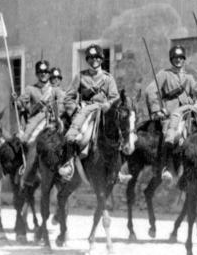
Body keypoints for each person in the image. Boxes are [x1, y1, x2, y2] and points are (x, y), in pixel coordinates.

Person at [145, 44, 197, 184]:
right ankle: (167, 167)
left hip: (188, 113)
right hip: (169, 114)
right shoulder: (164, 74)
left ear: (184, 59)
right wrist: (157, 109)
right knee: (170, 135)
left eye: (181, 58)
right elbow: (150, 90)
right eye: (175, 58)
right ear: (171, 59)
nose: (178, 60)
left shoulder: (189, 78)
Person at [62, 44, 120, 178]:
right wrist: (74, 110)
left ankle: (117, 169)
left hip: (103, 111)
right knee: (78, 135)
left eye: (97, 57)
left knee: (117, 133)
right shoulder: (80, 76)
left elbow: (115, 96)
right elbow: (68, 97)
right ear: (87, 60)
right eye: (91, 58)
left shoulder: (108, 78)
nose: (94, 60)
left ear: (101, 59)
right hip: (84, 110)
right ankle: (69, 164)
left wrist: (108, 104)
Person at [13, 60, 64, 190]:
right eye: (40, 72)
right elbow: (20, 104)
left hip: (51, 122)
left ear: (49, 73)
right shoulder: (30, 89)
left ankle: (65, 169)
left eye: (46, 72)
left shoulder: (55, 90)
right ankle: (28, 174)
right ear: (37, 74)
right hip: (35, 123)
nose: (43, 74)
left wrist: (56, 113)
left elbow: (63, 104)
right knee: (32, 143)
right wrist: (16, 100)